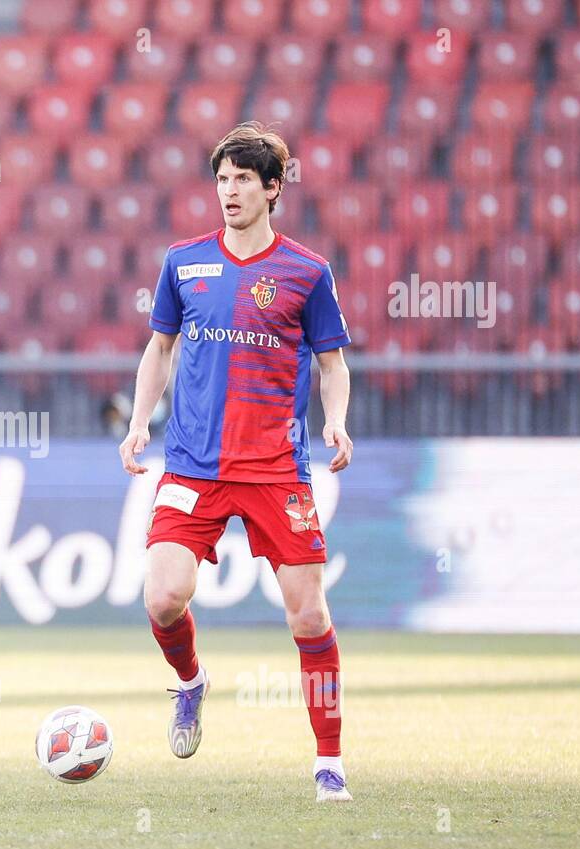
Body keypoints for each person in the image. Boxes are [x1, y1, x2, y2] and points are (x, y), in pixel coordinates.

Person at [118, 122, 355, 802]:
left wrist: (335, 422)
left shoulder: (306, 272)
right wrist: (139, 424)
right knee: (163, 597)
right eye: (222, 179)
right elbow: (159, 350)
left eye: (244, 180)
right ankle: (190, 684)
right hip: (192, 463)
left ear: (273, 188)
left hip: (277, 468)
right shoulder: (183, 262)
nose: (229, 191)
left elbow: (334, 365)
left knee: (307, 615)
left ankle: (329, 762)